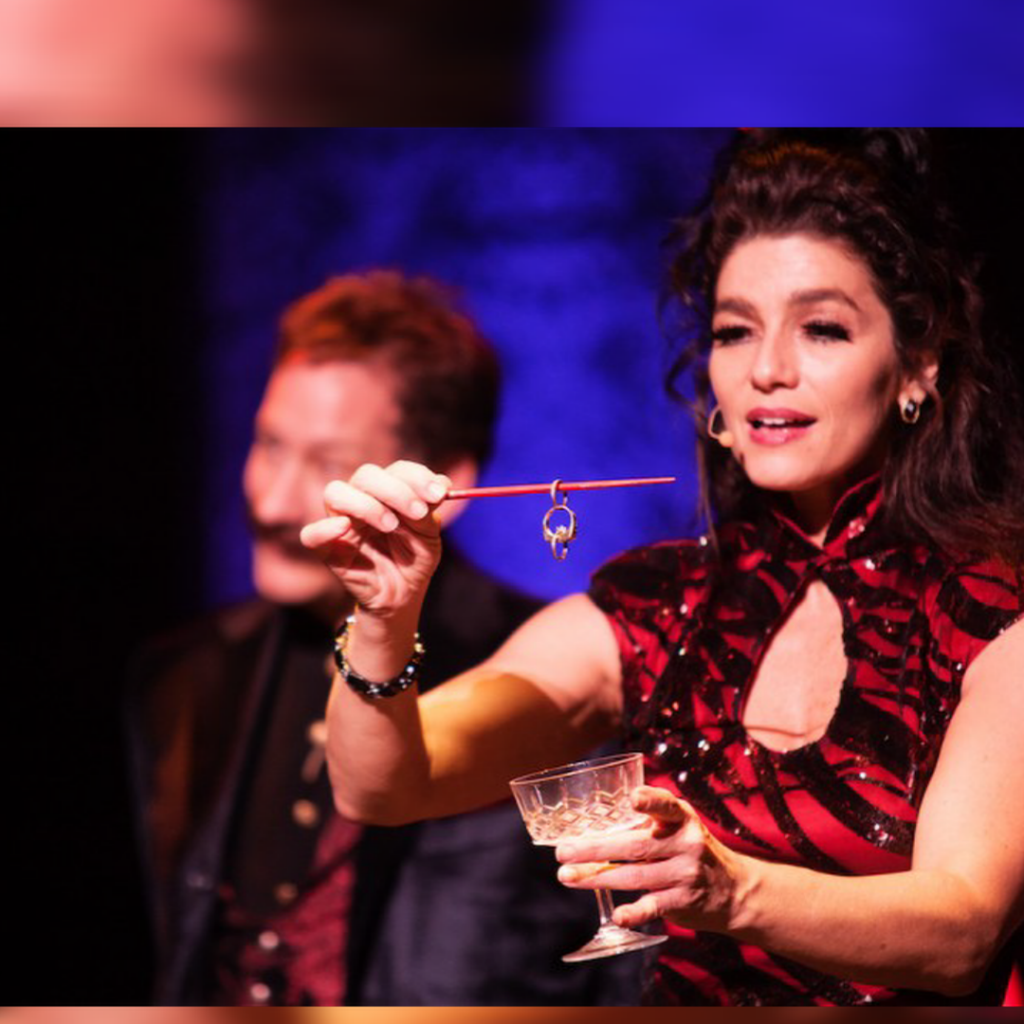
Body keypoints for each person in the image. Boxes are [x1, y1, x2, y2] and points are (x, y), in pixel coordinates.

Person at [300, 131, 1024, 1006]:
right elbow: (387, 784)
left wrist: (731, 891)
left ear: (916, 367)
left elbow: (963, 932)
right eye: (734, 331)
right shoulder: (661, 606)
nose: (766, 370)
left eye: (822, 329)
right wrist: (383, 619)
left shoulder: (989, 614)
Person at [127, 270, 639, 1006]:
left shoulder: (547, 673)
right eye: (269, 445)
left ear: (446, 481)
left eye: (329, 465)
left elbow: (620, 962)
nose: (273, 501)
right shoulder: (183, 675)